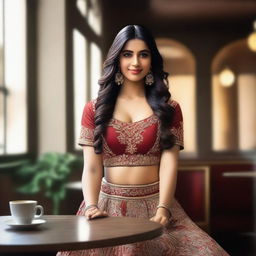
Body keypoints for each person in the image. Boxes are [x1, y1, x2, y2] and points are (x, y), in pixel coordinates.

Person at [57, 25, 229, 255]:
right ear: (117, 58)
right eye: (127, 54)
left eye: (143, 54)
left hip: (156, 205)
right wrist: (91, 206)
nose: (135, 62)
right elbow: (91, 167)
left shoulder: (169, 109)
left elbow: (169, 164)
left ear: (152, 60)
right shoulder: (94, 109)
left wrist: (164, 208)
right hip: (105, 207)